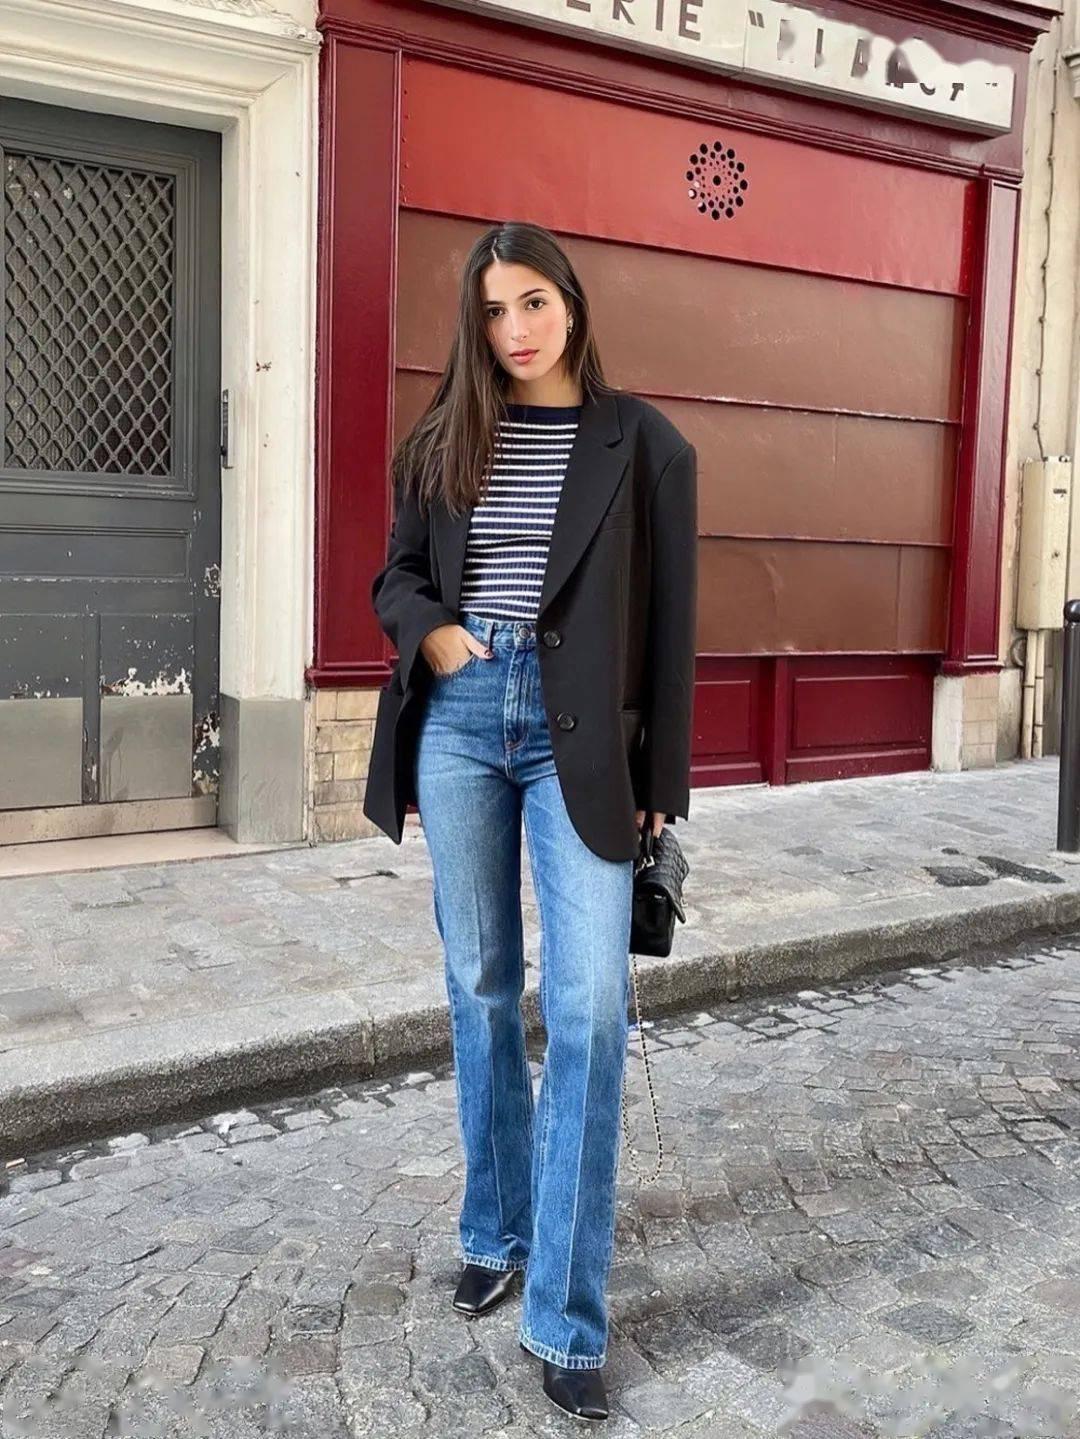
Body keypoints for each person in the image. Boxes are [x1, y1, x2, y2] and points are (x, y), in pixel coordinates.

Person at [362, 220, 698, 1422]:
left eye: (534, 302)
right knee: (482, 983)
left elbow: (672, 624)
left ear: (572, 301)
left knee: (593, 1008)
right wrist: (437, 634)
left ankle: (565, 1310)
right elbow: (396, 577)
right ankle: (496, 1227)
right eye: (495, 309)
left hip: (582, 739)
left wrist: (665, 777)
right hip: (460, 719)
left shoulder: (645, 444)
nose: (516, 328)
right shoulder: (443, 437)